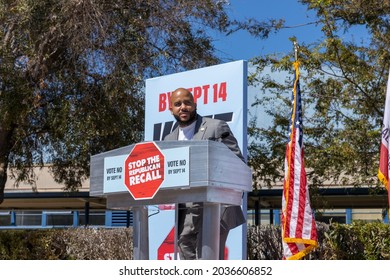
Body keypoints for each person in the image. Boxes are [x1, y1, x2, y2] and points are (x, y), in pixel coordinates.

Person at [163, 87, 246, 260]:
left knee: (208, 258)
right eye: (177, 104)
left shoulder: (215, 127)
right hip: (186, 209)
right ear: (171, 109)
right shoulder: (168, 140)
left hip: (215, 206)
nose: (183, 107)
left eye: (187, 102)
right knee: (186, 256)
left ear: (195, 104)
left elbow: (236, 163)